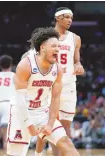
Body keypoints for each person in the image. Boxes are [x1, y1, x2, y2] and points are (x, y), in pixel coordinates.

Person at [7, 27, 80, 156]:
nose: (57, 49)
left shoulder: (57, 69)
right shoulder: (25, 65)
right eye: (53, 46)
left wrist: (51, 123)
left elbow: (56, 98)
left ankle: (38, 153)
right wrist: (28, 124)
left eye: (58, 46)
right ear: (42, 48)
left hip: (42, 112)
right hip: (21, 112)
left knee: (67, 144)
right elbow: (20, 99)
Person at [35, 7, 84, 156]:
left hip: (68, 85)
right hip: (50, 84)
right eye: (66, 17)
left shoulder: (75, 38)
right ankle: (38, 152)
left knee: (65, 126)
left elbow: (76, 60)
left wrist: (78, 65)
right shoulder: (46, 37)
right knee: (50, 124)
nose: (70, 20)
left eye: (71, 17)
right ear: (57, 18)